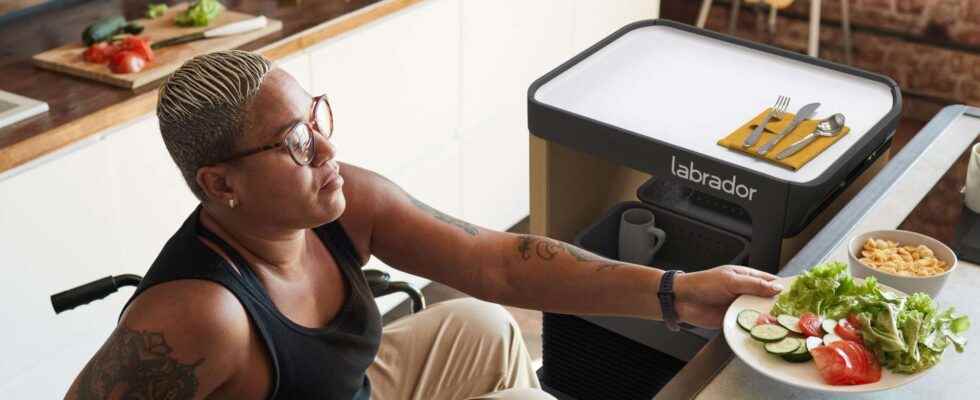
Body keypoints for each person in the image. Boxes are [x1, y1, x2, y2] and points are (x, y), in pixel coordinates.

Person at [63, 50, 782, 400]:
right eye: (294, 143)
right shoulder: (201, 317)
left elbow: (499, 262)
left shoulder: (345, 203)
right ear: (219, 185)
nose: (328, 151)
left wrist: (678, 292)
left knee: (483, 323)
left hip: (355, 386)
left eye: (317, 117)